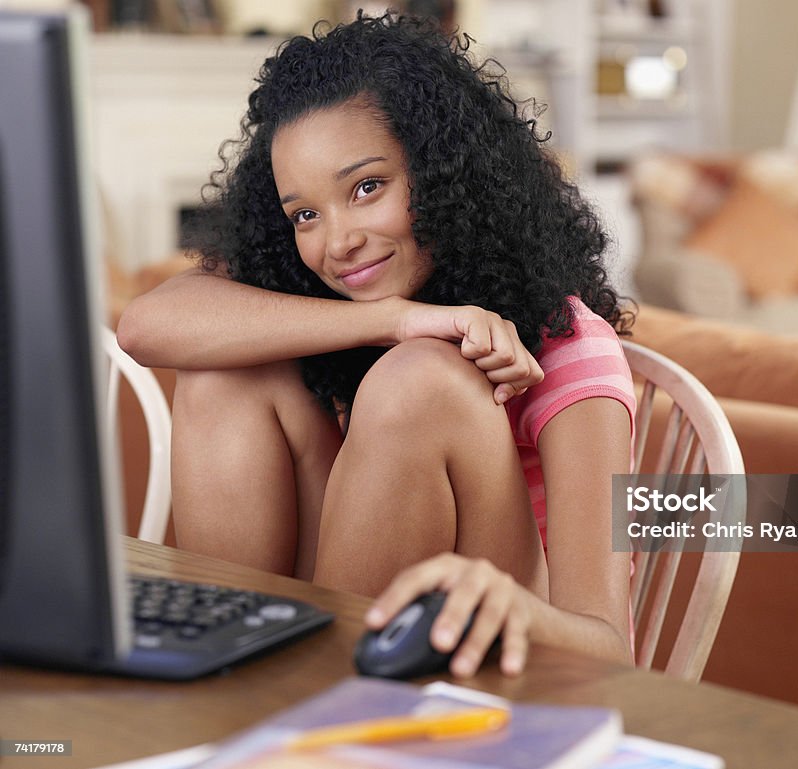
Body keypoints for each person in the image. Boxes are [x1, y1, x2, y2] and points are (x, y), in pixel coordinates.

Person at [117, 12, 636, 678]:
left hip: (499, 665)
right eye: (305, 214)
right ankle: (241, 682)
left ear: (446, 172)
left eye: (367, 188)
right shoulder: (359, 302)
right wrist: (395, 318)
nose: (338, 241)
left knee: (422, 379)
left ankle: (305, 704)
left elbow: (609, 648)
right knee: (230, 372)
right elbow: (145, 326)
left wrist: (511, 604)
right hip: (353, 627)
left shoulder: (572, 348)